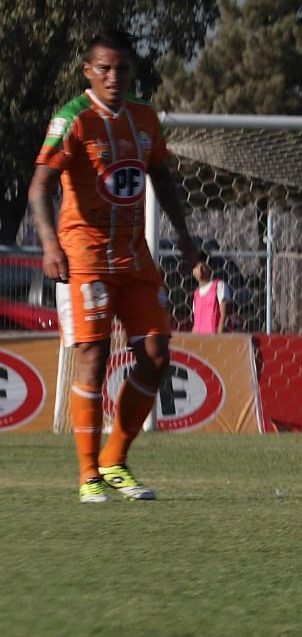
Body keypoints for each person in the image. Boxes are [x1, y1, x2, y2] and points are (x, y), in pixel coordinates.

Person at [28, 30, 199, 503]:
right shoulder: (72, 120)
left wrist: (186, 241)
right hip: (85, 257)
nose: (113, 76)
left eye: (121, 68)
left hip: (135, 257)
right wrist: (49, 245)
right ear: (88, 71)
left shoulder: (144, 117)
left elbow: (161, 176)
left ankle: (115, 460)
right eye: (104, 68)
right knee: (95, 358)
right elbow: (39, 187)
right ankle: (88, 476)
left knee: (157, 356)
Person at [191, 258, 229, 333]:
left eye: (203, 267)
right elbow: (196, 322)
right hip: (200, 339)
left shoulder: (219, 285)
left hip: (214, 337)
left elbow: (224, 314)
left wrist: (220, 335)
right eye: (197, 267)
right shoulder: (196, 294)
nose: (200, 270)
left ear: (210, 269)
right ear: (193, 272)